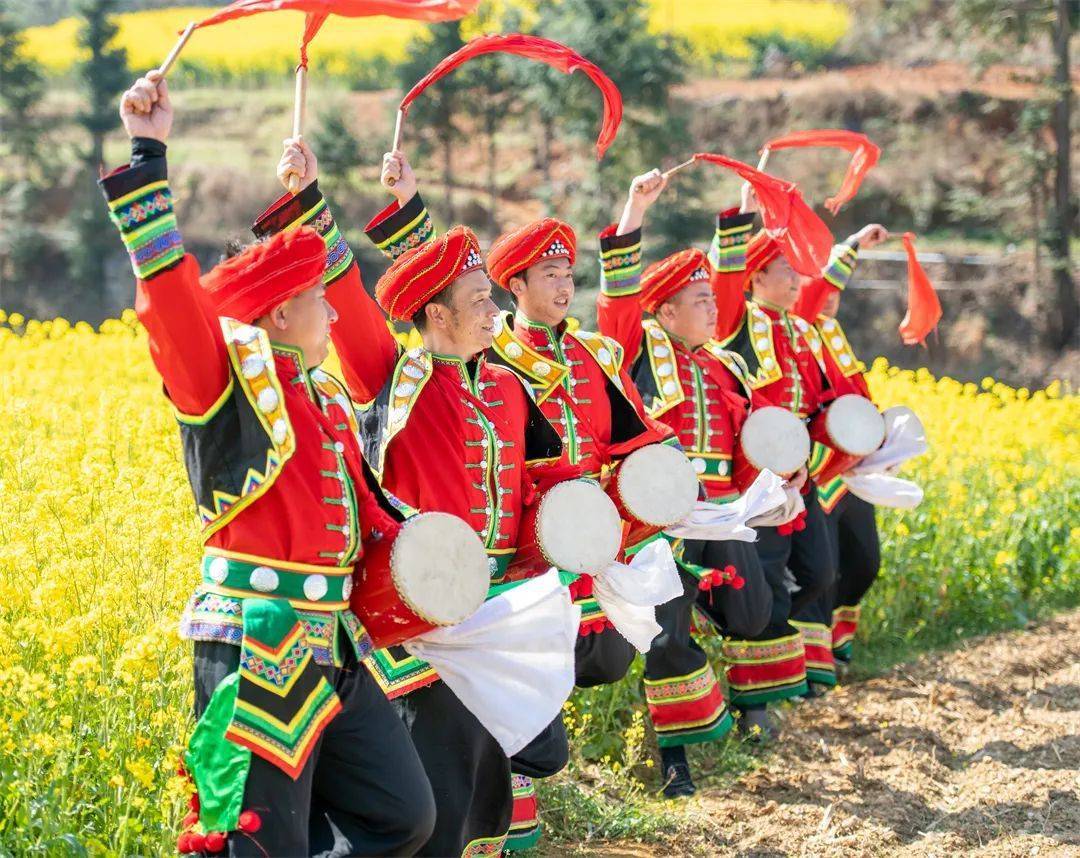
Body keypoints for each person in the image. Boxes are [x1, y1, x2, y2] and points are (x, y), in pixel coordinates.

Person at [101, 71, 435, 857]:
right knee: (255, 843)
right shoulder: (226, 384)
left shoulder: (320, 399)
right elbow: (172, 301)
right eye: (321, 296)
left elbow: (364, 512)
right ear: (283, 312)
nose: (332, 309)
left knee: (401, 815)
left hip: (331, 644)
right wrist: (149, 152)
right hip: (256, 645)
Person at [261, 139, 572, 857]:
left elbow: (536, 484)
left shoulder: (502, 385)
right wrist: (309, 198)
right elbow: (342, 290)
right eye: (478, 302)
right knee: (441, 790)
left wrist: (408, 205)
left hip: (500, 611)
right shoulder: (394, 377)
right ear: (436, 317)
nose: (494, 309)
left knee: (498, 779)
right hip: (426, 615)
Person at [597, 182, 787, 794]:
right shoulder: (639, 352)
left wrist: (780, 472)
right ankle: (674, 760)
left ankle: (744, 701)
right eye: (699, 301)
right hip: (666, 516)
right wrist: (634, 215)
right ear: (666, 312)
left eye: (713, 299)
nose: (713, 311)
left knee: (753, 606)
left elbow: (746, 443)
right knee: (669, 635)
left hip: (723, 510)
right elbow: (618, 307)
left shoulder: (724, 365)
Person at [793, 224, 890, 671]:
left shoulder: (831, 333)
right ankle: (814, 667)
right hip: (817, 470)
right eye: (822, 284)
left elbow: (857, 393)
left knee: (864, 561)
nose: (831, 294)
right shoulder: (795, 331)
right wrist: (850, 247)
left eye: (836, 286)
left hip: (851, 469)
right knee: (822, 570)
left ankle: (837, 645)